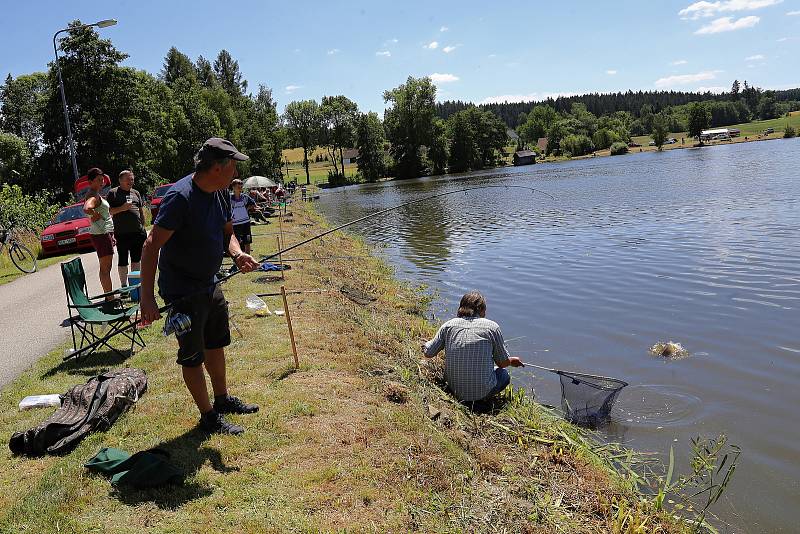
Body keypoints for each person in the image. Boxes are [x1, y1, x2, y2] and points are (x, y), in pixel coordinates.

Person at [139, 138, 260, 435]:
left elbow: (227, 232)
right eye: (233, 164)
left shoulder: (219, 193)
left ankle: (222, 399)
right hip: (182, 290)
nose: (236, 170)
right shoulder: (180, 198)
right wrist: (146, 298)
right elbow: (150, 245)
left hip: (210, 281)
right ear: (218, 167)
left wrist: (237, 253)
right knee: (193, 354)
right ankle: (208, 417)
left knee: (216, 342)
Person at [422, 291, 523, 403]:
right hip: (482, 393)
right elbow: (502, 363)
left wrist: (424, 344)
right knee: (503, 375)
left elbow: (428, 352)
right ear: (480, 309)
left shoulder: (448, 325)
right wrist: (512, 361)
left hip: (453, 390)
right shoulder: (492, 327)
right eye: (485, 309)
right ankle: (482, 400)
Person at [107, 170, 147, 287]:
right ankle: (124, 285)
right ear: (120, 180)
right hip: (122, 233)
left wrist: (143, 226)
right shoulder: (113, 193)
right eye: (128, 179)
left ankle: (135, 285)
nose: (131, 182)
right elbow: (109, 211)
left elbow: (140, 211)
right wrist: (122, 208)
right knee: (123, 260)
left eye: (132, 179)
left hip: (137, 232)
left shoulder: (136, 193)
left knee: (136, 259)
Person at [83, 168, 116, 299]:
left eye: (102, 179)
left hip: (104, 234)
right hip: (101, 235)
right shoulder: (93, 195)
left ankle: (109, 297)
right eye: (98, 180)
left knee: (106, 268)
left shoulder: (96, 194)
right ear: (90, 182)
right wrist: (94, 213)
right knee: (105, 268)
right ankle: (110, 298)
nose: (101, 182)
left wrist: (111, 234)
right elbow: (86, 208)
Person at [230, 178, 256, 254]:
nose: (240, 189)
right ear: (233, 187)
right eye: (238, 187)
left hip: (246, 222)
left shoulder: (245, 197)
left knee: (247, 241)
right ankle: (237, 260)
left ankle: (248, 258)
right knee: (236, 242)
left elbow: (253, 204)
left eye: (241, 187)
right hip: (235, 223)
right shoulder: (229, 198)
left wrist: (247, 208)